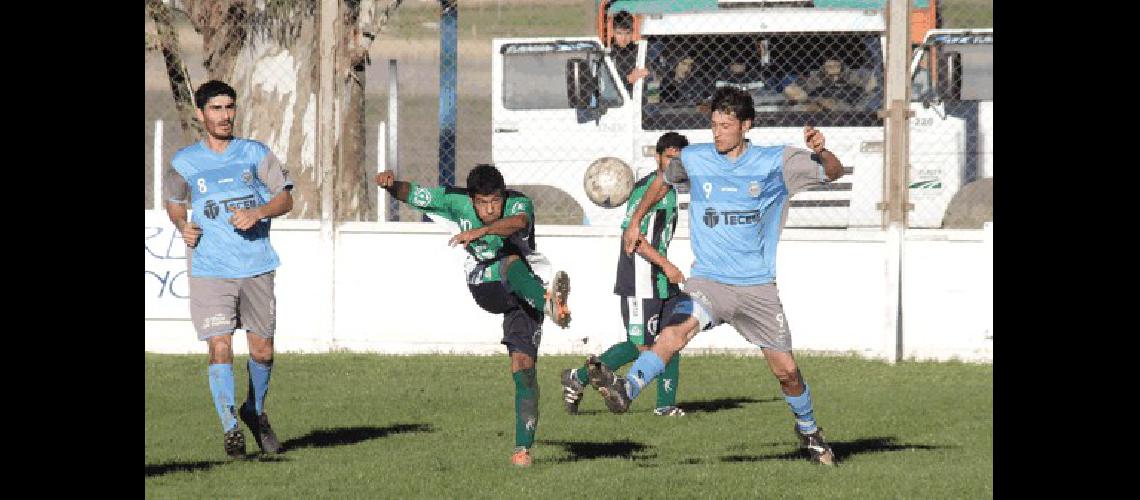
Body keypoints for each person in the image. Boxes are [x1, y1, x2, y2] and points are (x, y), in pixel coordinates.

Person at [597, 86, 845, 465]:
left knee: (787, 373)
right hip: (708, 281)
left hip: (757, 287)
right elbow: (664, 179)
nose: (717, 134)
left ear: (746, 126)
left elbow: (833, 173)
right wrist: (634, 221)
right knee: (673, 333)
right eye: (714, 125)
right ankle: (627, 389)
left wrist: (821, 150)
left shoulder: (774, 162)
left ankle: (809, 430)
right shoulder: (695, 158)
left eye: (726, 126)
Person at [375, 164, 571, 468]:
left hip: (527, 291)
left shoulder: (519, 204)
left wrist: (484, 229)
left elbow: (518, 222)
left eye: (496, 201)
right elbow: (416, 195)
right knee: (509, 261)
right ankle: (550, 305)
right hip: (486, 283)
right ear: (472, 199)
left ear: (503, 195)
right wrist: (391, 186)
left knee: (524, 367)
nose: (491, 209)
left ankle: (522, 449)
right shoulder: (456, 201)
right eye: (483, 203)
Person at [163, 80, 294, 459]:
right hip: (209, 267)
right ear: (201, 113)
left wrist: (259, 212)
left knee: (263, 349)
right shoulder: (185, 161)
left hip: (256, 265)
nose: (225, 116)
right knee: (219, 347)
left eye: (229, 108)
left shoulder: (255, 153)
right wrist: (181, 224)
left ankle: (254, 410)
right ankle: (230, 425)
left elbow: (285, 197)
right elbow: (174, 201)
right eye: (217, 109)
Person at [560, 132, 690, 417]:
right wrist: (666, 264)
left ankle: (664, 405)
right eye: (669, 157)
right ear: (657, 157)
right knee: (640, 345)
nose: (674, 163)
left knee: (672, 337)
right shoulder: (647, 190)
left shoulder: (670, 188)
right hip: (640, 281)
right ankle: (578, 377)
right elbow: (632, 237)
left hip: (659, 281)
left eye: (679, 159)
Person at [798, 58, 878, 110]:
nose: (833, 68)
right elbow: (795, 96)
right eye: (829, 66)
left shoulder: (857, 84)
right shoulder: (813, 83)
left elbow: (866, 103)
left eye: (836, 65)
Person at [610, 10, 649, 95]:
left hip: (638, 99)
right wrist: (629, 79)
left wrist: (648, 73)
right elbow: (605, 84)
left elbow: (651, 76)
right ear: (613, 32)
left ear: (632, 32)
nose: (623, 38)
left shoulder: (640, 51)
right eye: (619, 33)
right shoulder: (608, 53)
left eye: (627, 33)